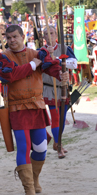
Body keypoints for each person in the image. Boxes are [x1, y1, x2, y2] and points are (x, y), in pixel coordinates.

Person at [0, 25, 68, 195]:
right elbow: (11, 76)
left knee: (41, 148)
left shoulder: (37, 54)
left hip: (37, 105)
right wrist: (33, 65)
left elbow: (53, 68)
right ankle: (28, 189)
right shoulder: (2, 57)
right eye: (8, 38)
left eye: (15, 37)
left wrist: (62, 74)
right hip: (17, 108)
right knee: (24, 146)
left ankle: (34, 178)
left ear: (22, 36)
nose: (11, 41)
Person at [42, 26, 77, 159]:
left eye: (51, 33)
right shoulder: (41, 51)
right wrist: (48, 56)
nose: (49, 36)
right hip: (49, 88)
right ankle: (59, 146)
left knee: (62, 119)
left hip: (62, 87)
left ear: (56, 34)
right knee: (55, 118)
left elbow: (74, 63)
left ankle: (57, 142)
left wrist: (57, 59)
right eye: (46, 34)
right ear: (43, 37)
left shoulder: (64, 48)